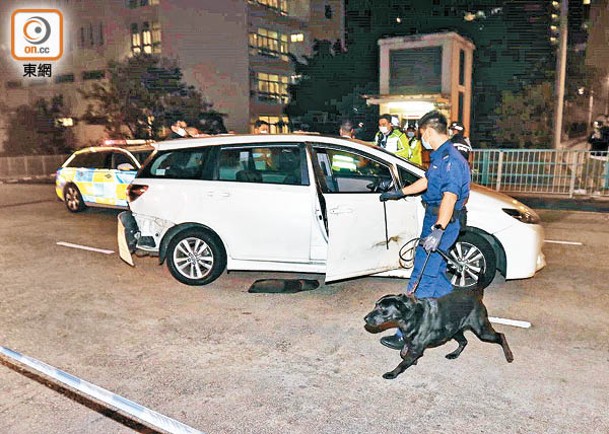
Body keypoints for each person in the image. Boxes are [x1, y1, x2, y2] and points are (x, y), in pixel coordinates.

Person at [378, 110, 471, 350]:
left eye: (421, 134)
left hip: (442, 221)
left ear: (428, 131)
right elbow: (428, 181)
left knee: (421, 278)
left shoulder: (451, 159)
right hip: (436, 218)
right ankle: (459, 312)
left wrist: (438, 230)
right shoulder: (440, 156)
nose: (421, 139)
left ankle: (406, 334)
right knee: (437, 273)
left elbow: (449, 197)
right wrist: (399, 192)